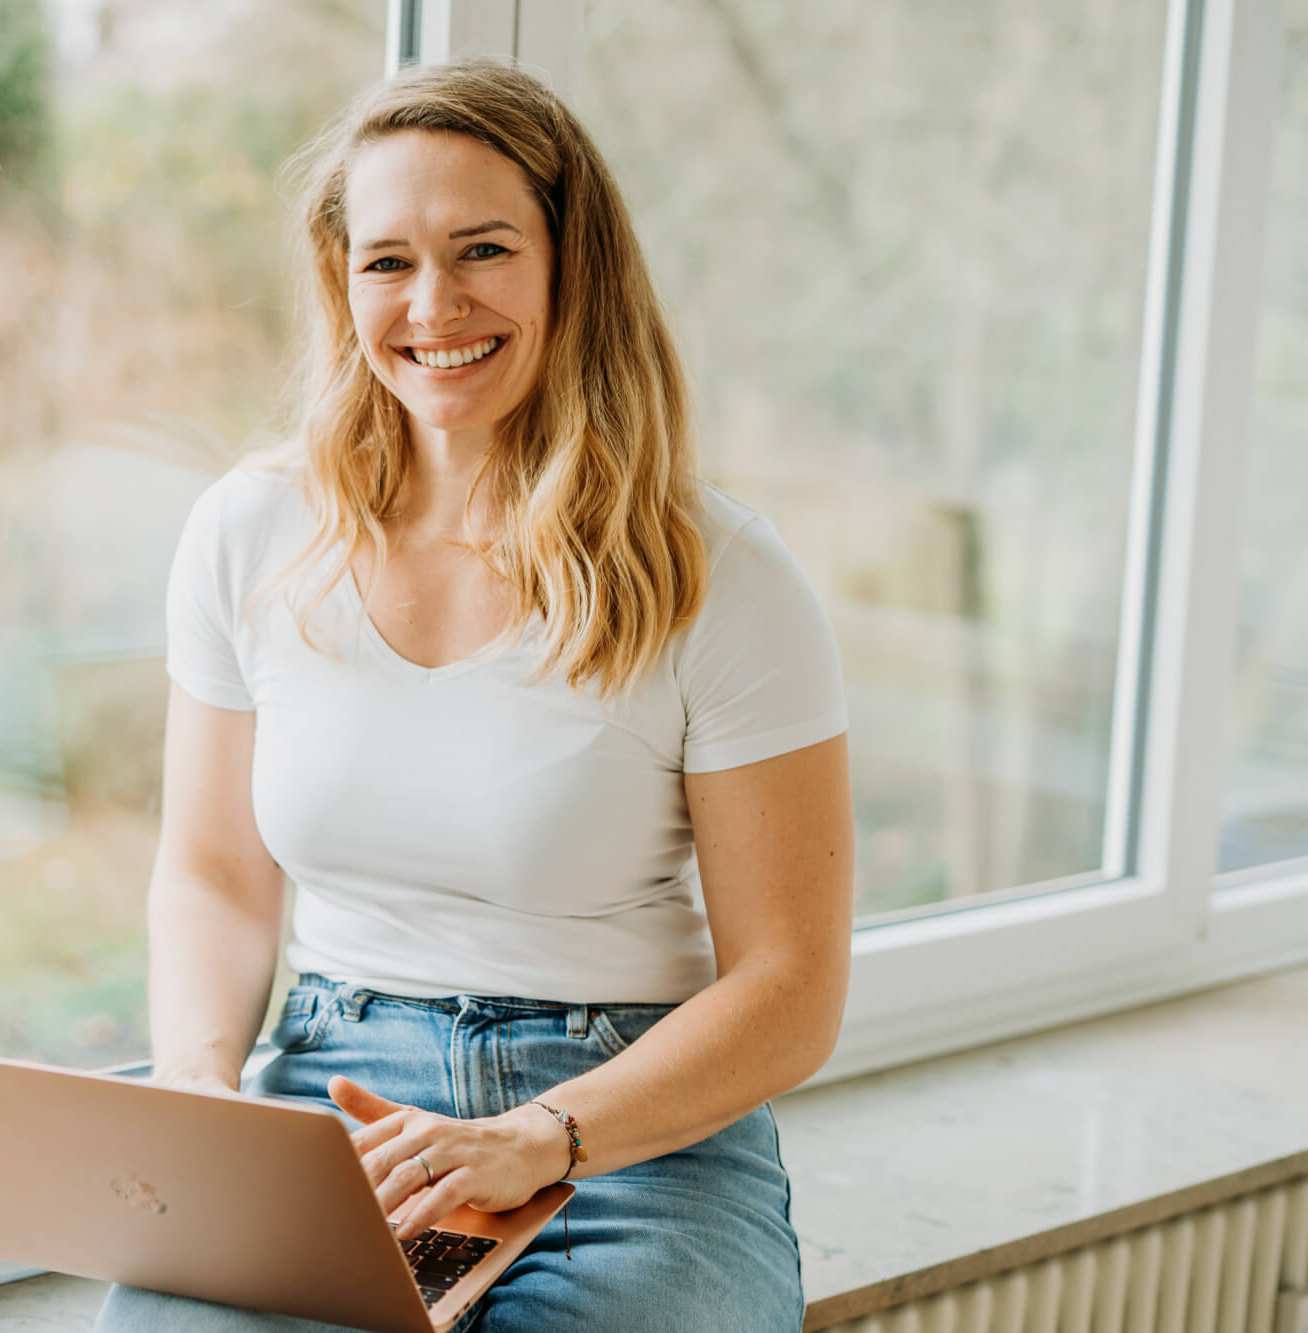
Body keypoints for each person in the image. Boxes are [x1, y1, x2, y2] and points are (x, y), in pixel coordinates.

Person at [94, 59, 853, 1333]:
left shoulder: (718, 574)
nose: (431, 304)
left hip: (628, 1115)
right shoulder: (247, 530)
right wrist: (197, 1084)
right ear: (342, 285)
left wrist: (543, 1135)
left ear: (571, 265)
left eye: (482, 249)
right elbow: (215, 871)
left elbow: (788, 981)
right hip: (333, 1095)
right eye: (385, 261)